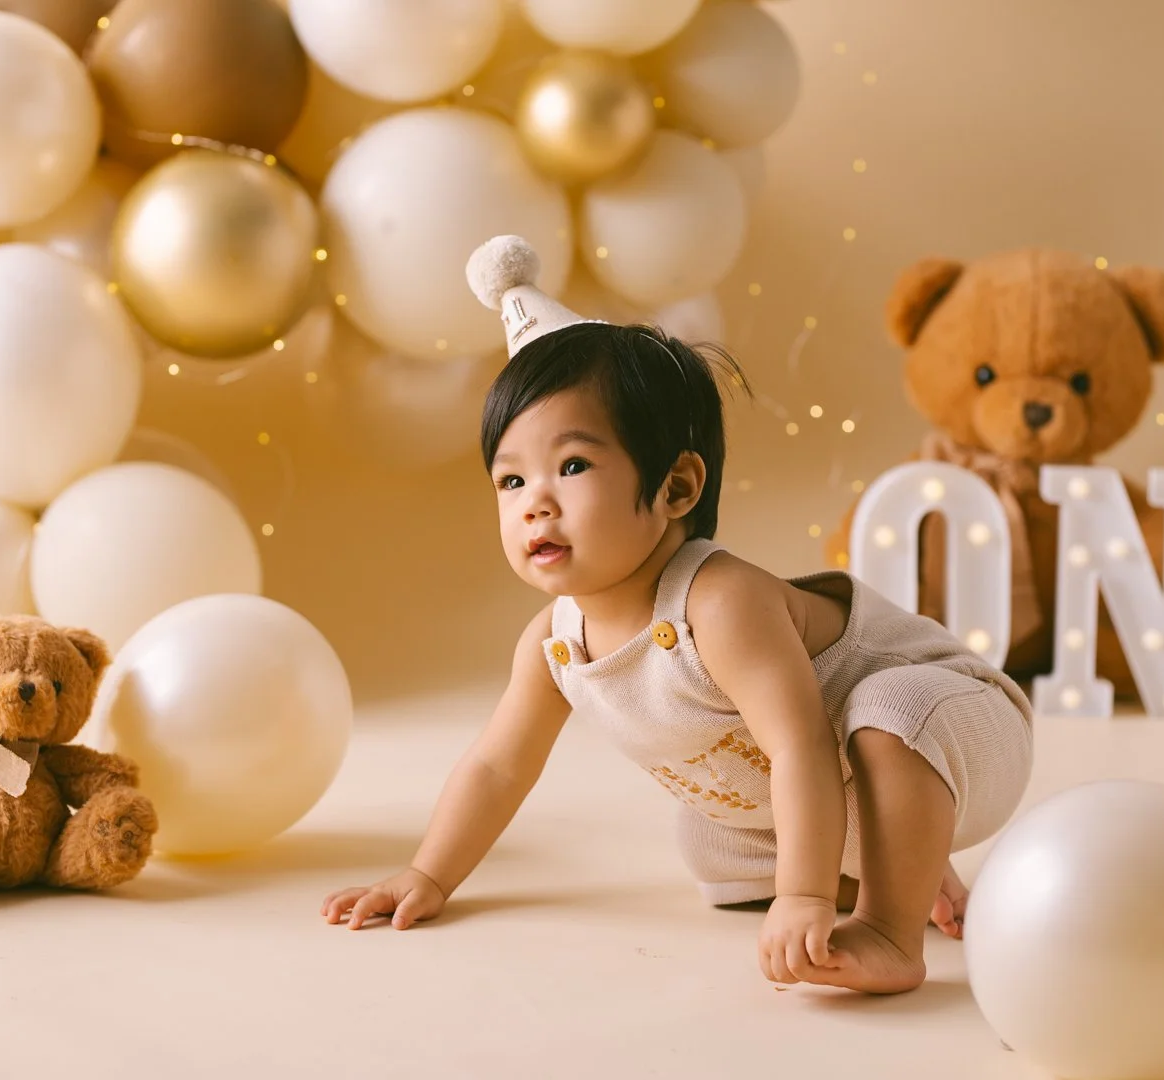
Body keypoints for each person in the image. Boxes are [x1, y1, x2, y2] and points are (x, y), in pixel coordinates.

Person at [320, 236, 1034, 994]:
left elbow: (799, 748)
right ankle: (899, 867)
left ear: (677, 488)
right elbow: (498, 767)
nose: (536, 501)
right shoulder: (554, 644)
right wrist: (428, 873)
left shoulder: (719, 603)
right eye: (510, 479)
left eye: (572, 466)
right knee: (706, 839)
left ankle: (891, 929)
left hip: (955, 728)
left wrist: (803, 897)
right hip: (837, 792)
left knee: (883, 708)